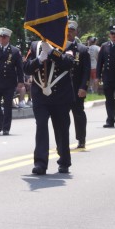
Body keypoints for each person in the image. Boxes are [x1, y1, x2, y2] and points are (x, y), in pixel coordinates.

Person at [24, 36, 75, 175]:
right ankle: (40, 163)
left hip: (61, 96)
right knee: (41, 127)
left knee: (61, 129)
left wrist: (53, 52)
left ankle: (64, 161)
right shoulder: (35, 46)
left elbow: (68, 63)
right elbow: (27, 68)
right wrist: (39, 59)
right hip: (40, 95)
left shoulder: (67, 44)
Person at [66, 20, 91, 148]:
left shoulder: (82, 49)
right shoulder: (58, 47)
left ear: (76, 32)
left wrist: (83, 87)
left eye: (71, 30)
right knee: (61, 117)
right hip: (60, 90)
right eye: (67, 30)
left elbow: (86, 71)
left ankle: (81, 139)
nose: (69, 32)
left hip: (76, 88)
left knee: (78, 114)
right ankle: (63, 141)